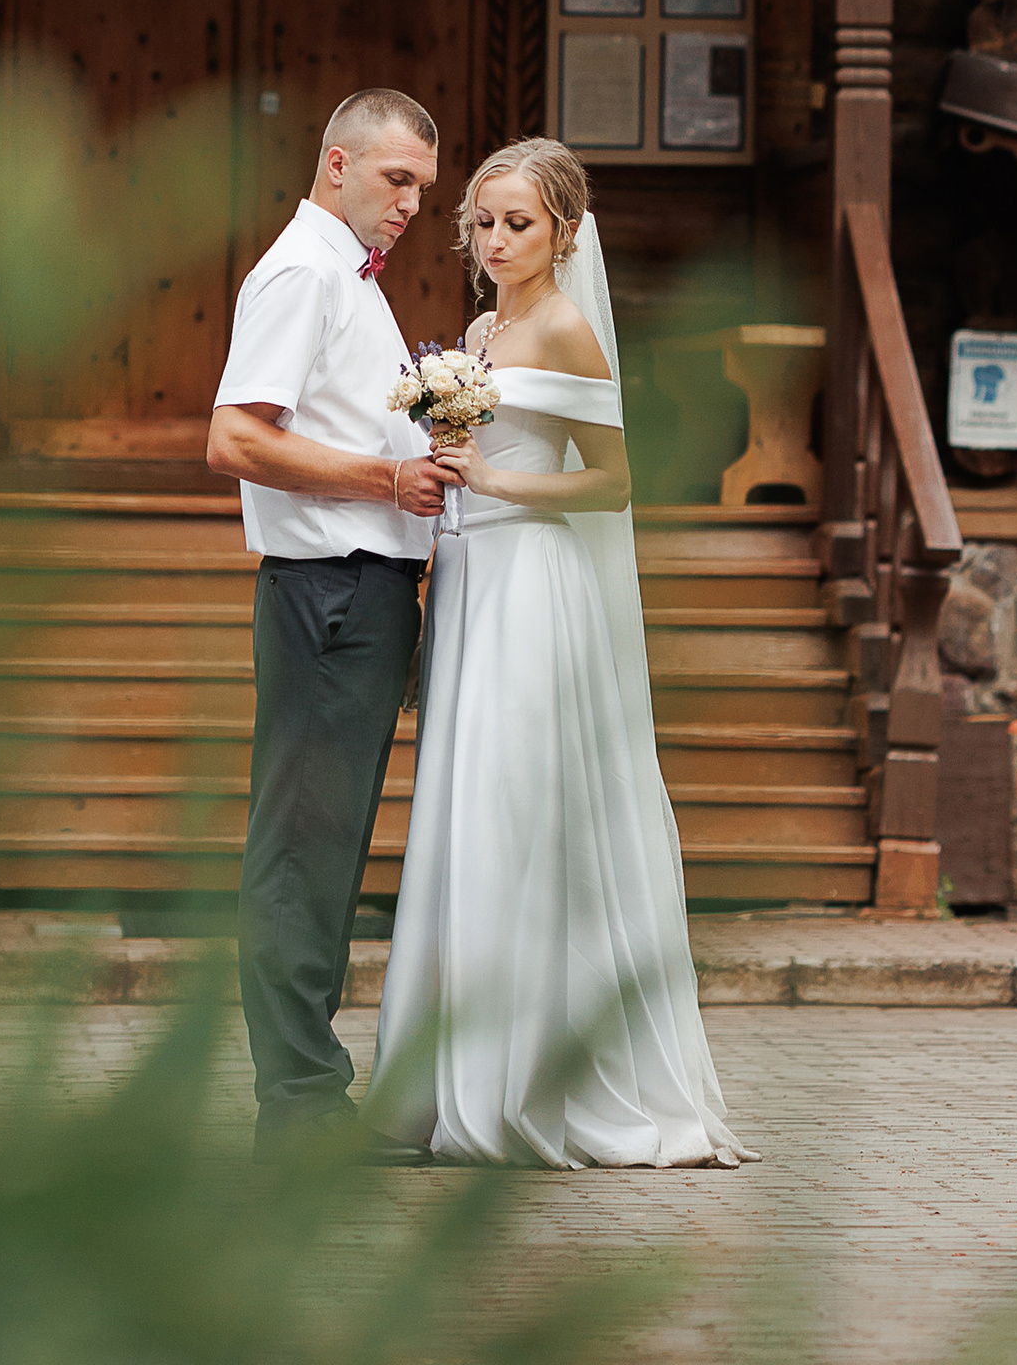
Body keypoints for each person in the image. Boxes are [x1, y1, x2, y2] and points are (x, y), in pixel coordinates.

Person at [371, 136, 748, 1168]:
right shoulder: (481, 331)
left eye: (518, 223)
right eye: (483, 222)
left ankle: (538, 1080)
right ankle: (447, 1076)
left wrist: (498, 482)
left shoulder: (568, 329)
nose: (495, 240)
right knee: (465, 809)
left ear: (564, 232)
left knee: (519, 810)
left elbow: (612, 482)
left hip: (532, 583)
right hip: (468, 580)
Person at [206, 89, 449, 1156]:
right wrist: (386, 482)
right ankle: (299, 1109)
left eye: (422, 190)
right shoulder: (303, 271)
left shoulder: (348, 276)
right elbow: (233, 439)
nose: (411, 205)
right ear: (338, 163)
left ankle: (312, 1097)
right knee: (302, 850)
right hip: (328, 593)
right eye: (397, 180)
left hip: (363, 591)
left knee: (331, 849)